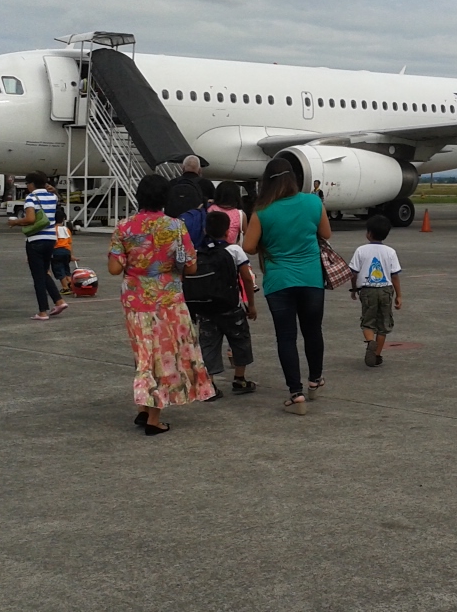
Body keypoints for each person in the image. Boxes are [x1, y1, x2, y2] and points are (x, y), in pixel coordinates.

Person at [108, 174, 215, 434]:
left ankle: (144, 409)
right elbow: (191, 266)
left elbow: (113, 268)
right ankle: (154, 417)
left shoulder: (124, 227)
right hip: (169, 301)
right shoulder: (177, 227)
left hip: (136, 300)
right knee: (164, 356)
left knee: (143, 355)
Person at [242, 157, 331, 413]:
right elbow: (325, 233)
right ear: (293, 178)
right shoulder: (313, 202)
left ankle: (296, 394)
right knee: (313, 331)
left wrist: (269, 242)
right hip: (311, 279)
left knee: (286, 337)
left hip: (279, 281)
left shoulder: (263, 211)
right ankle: (315, 380)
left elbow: (248, 246)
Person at [193, 210, 258, 395]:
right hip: (231, 306)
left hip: (206, 308)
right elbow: (246, 277)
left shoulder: (198, 251)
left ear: (205, 229)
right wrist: (251, 304)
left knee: (209, 344)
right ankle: (239, 379)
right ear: (228, 231)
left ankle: (209, 384)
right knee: (240, 340)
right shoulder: (234, 250)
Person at [7, 172, 67, 321]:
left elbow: (30, 219)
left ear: (32, 184)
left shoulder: (31, 197)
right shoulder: (52, 197)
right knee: (44, 272)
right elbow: (56, 198)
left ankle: (42, 311)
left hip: (36, 240)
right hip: (51, 239)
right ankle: (59, 301)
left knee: (38, 276)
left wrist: (15, 222)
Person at [348, 214, 403, 367]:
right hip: (385, 290)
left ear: (369, 233)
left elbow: (353, 273)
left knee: (367, 321)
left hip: (367, 290)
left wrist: (354, 289)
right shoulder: (390, 252)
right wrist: (399, 296)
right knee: (383, 324)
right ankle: (377, 354)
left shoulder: (361, 250)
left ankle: (370, 342)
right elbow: (395, 276)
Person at [211, 180, 246, 246]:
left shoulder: (210, 209)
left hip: (211, 250)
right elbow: (245, 233)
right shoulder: (240, 214)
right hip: (231, 252)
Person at [52, 207, 74, 295]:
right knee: (66, 269)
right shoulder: (66, 229)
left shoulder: (53, 230)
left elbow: (54, 242)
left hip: (57, 251)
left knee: (59, 269)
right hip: (66, 251)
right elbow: (70, 243)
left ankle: (65, 287)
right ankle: (71, 284)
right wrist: (71, 255)